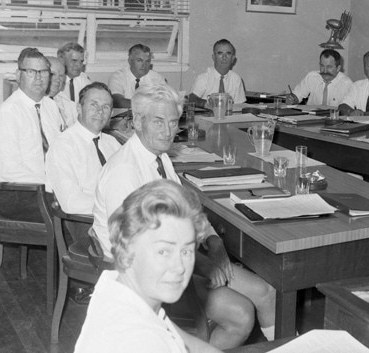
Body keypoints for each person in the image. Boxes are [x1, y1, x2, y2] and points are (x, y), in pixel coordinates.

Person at [92, 83, 276, 349]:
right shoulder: (124, 171)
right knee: (243, 313)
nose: (168, 131)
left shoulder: (160, 157)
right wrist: (203, 264)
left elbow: (189, 211)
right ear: (138, 122)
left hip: (176, 258)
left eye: (172, 122)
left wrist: (215, 242)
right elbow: (140, 250)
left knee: (265, 294)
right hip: (143, 277)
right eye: (158, 122)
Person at [75, 180, 222, 353]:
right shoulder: (139, 340)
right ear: (127, 249)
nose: (179, 267)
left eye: (186, 251)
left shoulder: (122, 290)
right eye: (163, 252)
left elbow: (187, 342)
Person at [0, 48, 64, 221]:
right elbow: (10, 170)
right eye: (31, 71)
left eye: (44, 72)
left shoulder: (50, 107)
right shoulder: (8, 114)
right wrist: (52, 186)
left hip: (46, 188)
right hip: (17, 193)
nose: (38, 77)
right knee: (71, 216)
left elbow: (58, 152)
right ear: (18, 75)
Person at [46, 82, 121, 215]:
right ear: (79, 108)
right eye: (93, 105)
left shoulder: (113, 143)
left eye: (106, 107)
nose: (100, 111)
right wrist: (116, 206)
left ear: (111, 113)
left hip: (118, 217)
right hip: (84, 221)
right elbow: (71, 202)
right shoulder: (63, 146)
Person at [285, 49, 353, 107]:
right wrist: (292, 99)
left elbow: (347, 109)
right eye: (322, 66)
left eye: (329, 67)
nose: (325, 70)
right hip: (310, 118)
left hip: (334, 120)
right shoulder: (312, 77)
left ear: (338, 68)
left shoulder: (346, 84)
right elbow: (297, 95)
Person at [188, 39, 246, 107]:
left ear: (233, 58)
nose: (224, 57)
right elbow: (191, 99)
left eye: (228, 53)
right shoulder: (204, 78)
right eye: (220, 53)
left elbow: (239, 105)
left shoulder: (236, 79)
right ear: (213, 57)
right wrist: (207, 104)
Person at [108, 44, 167, 108]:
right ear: (130, 60)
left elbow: (166, 101)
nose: (144, 65)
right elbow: (118, 102)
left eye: (147, 61)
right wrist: (148, 105)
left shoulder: (157, 78)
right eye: (139, 60)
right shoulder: (117, 77)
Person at [47, 56, 78, 129]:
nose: (57, 79)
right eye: (52, 74)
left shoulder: (64, 101)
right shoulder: (35, 103)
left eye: (61, 76)